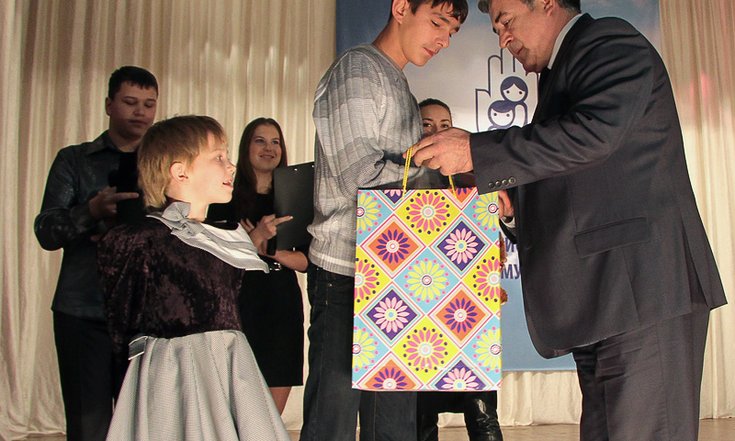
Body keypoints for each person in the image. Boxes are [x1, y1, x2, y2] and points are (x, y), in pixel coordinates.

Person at [410, 1, 728, 440]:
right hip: (607, 301)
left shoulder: (608, 41)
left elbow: (594, 135)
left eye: (506, 21)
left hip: (642, 291)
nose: (503, 39)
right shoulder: (561, 72)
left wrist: (475, 152)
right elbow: (578, 175)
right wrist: (515, 208)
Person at [302, 1, 468, 440]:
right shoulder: (358, 70)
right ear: (401, 8)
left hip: (395, 273)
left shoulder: (399, 85)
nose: (442, 40)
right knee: (332, 422)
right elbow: (359, 176)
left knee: (394, 425)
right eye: (437, 23)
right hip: (347, 272)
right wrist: (435, 167)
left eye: (451, 32)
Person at [97, 115, 290, 441]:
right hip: (173, 373)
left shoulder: (224, 240)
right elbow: (122, 321)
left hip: (228, 360)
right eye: (218, 158)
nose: (231, 166)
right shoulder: (143, 239)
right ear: (180, 171)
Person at [34, 66, 158, 441]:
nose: (140, 112)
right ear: (108, 104)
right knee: (88, 425)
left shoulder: (164, 167)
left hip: (146, 314)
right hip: (84, 310)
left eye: (149, 104)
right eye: (130, 102)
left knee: (144, 426)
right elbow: (46, 230)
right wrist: (90, 211)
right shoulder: (74, 160)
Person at [415, 98, 502, 441]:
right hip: (416, 313)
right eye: (426, 124)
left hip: (466, 314)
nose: (436, 132)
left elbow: (493, 246)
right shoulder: (399, 182)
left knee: (481, 408)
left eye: (445, 126)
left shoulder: (472, 181)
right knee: (420, 412)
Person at [207, 117, 307, 415]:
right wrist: (256, 238)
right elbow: (215, 260)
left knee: (271, 415)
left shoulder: (295, 197)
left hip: (281, 302)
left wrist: (270, 251)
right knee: (231, 409)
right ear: (245, 147)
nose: (269, 148)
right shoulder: (223, 195)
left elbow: (306, 261)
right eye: (260, 141)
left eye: (275, 142)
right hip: (237, 302)